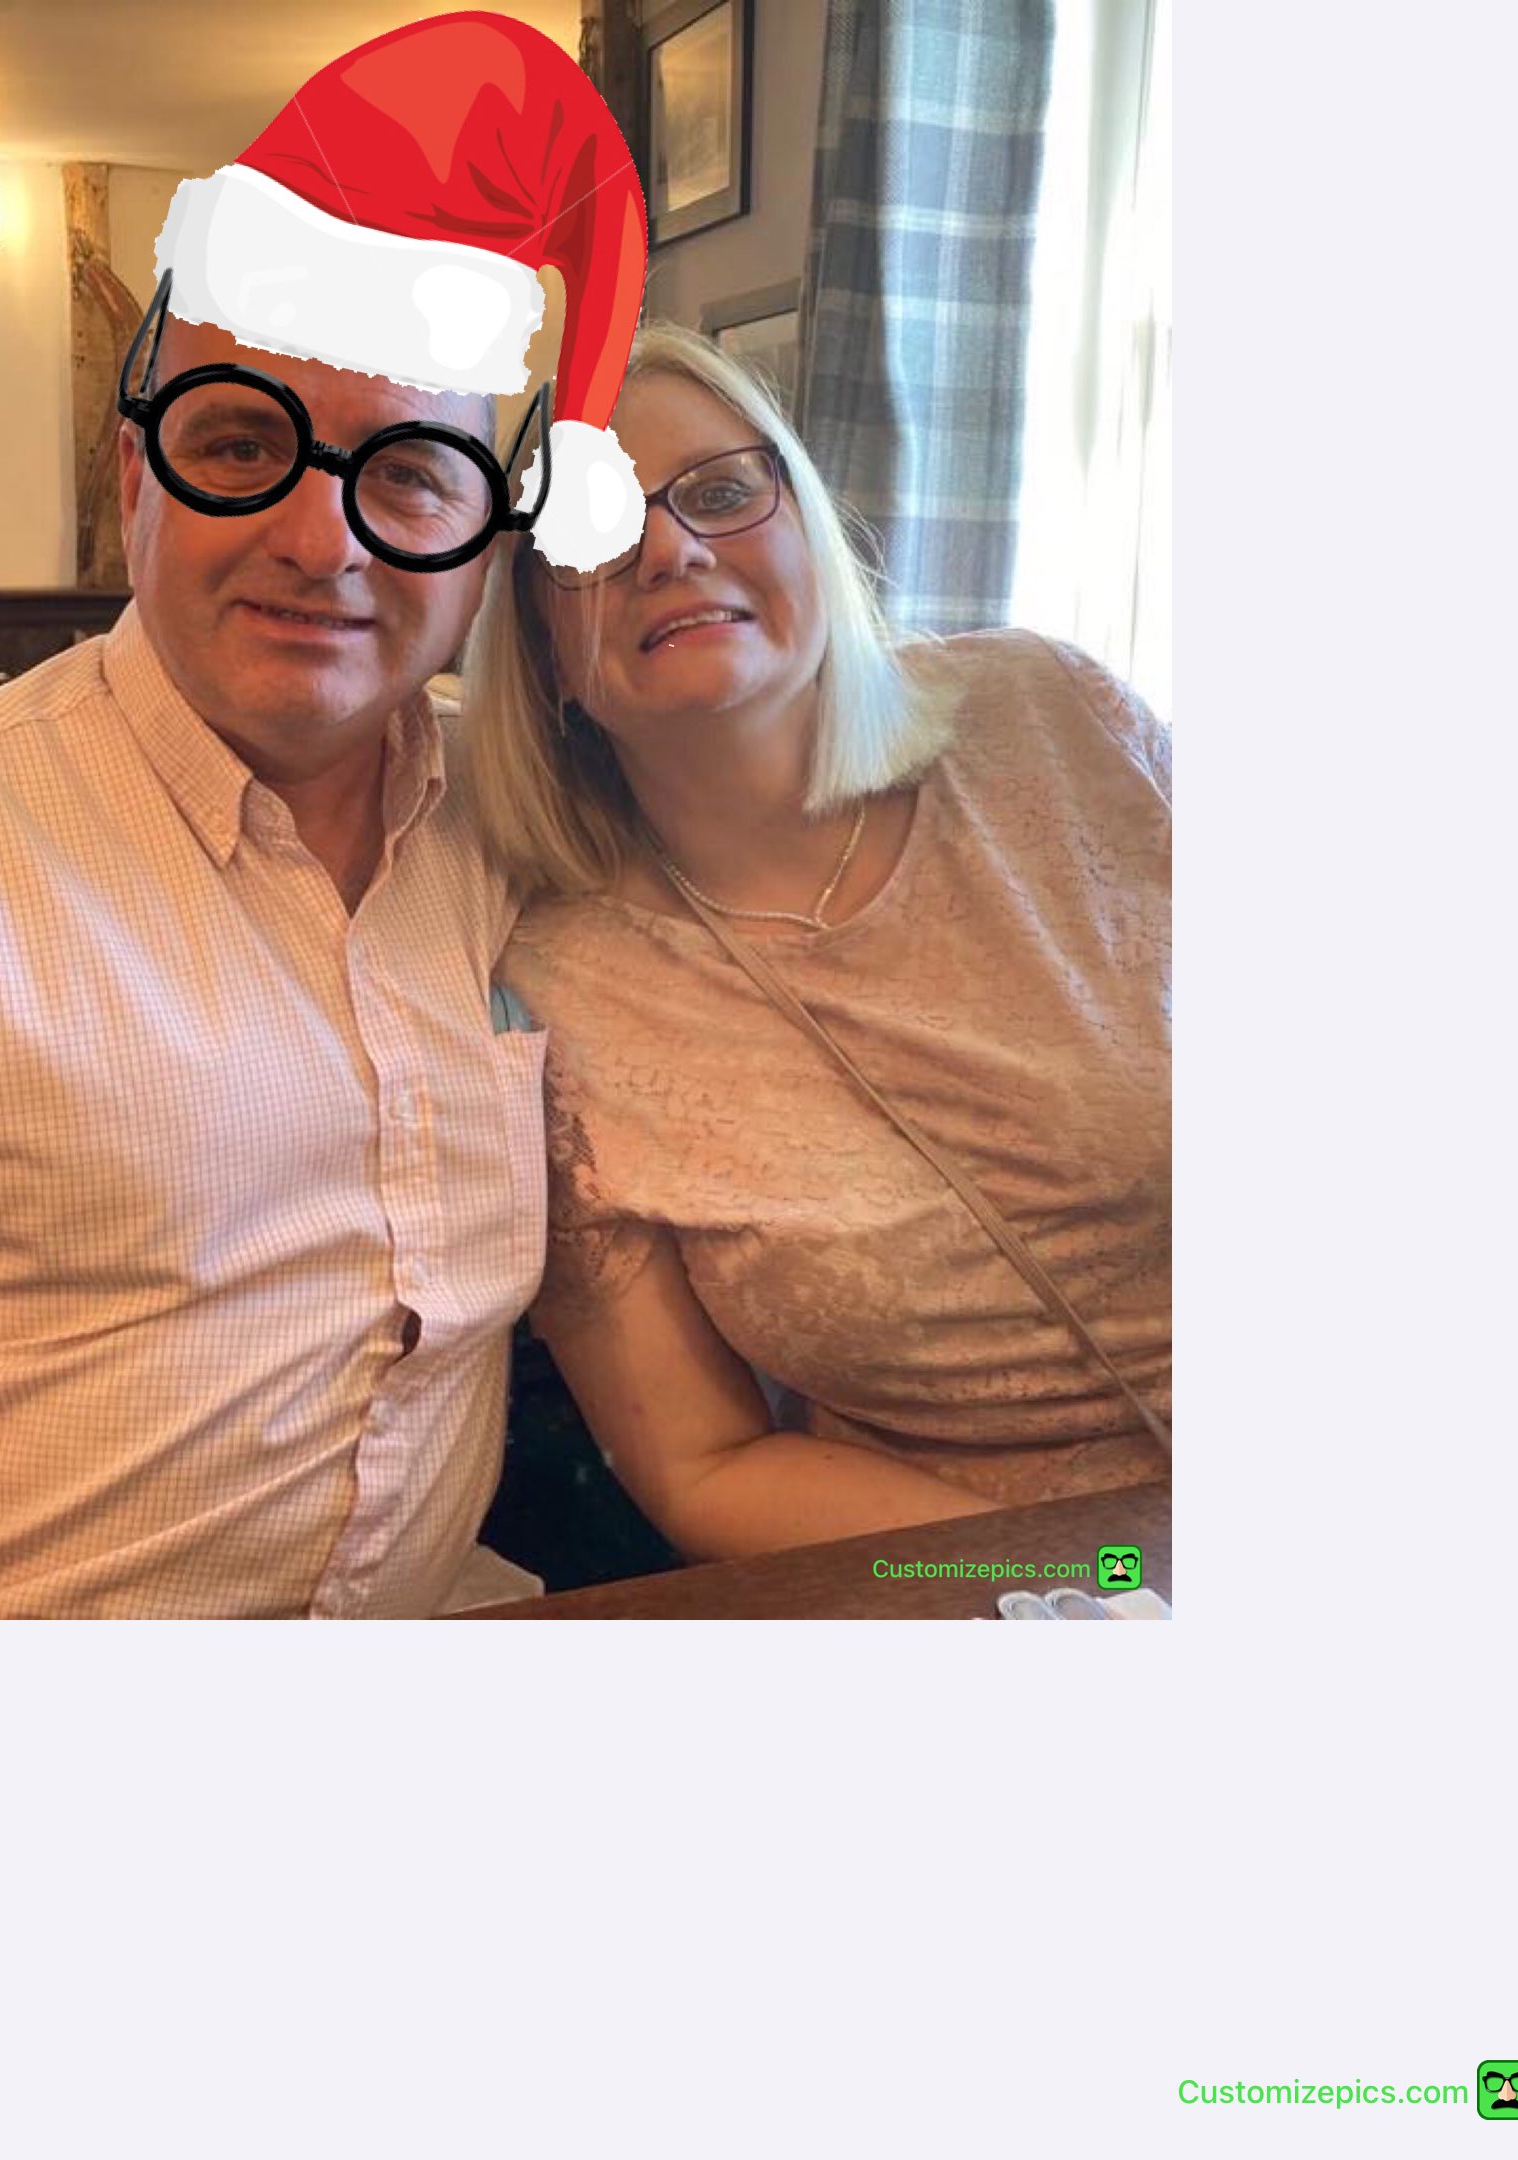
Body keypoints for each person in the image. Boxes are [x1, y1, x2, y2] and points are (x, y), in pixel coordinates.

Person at [0, 10, 650, 1617]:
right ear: (133, 482)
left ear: (485, 542)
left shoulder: (524, 824)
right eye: (239, 444)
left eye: (408, 472)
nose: (321, 540)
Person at [464, 324, 1172, 1563]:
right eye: (590, 528)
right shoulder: (550, 989)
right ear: (541, 649)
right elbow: (706, 1464)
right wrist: (1103, 1580)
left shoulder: (1057, 714)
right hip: (989, 1583)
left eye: (720, 493)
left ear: (808, 529)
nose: (670, 549)